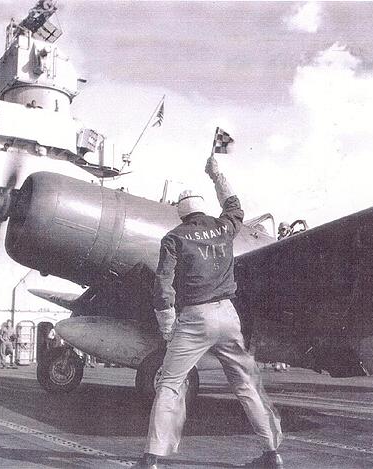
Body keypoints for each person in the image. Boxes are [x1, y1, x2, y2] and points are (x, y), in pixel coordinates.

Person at [135, 152, 283, 469]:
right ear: (202, 208)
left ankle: (153, 459)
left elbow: (163, 285)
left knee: (170, 385)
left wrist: (167, 327)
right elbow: (234, 205)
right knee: (246, 384)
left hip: (194, 318)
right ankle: (272, 453)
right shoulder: (225, 228)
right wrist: (216, 173)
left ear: (181, 212)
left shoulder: (174, 237)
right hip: (229, 315)